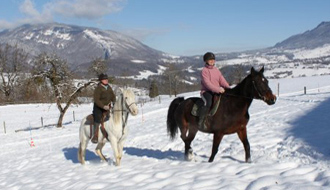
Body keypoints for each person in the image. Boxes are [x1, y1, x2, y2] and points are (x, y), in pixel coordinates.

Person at [198, 52, 230, 129]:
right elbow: (207, 84)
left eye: (213, 59)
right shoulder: (204, 71)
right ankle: (201, 121)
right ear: (206, 61)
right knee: (208, 103)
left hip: (217, 90)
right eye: (210, 60)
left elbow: (222, 80)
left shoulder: (216, 70)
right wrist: (218, 89)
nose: (212, 61)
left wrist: (228, 88)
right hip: (206, 91)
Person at [91, 73, 116, 143]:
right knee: (98, 118)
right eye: (105, 79)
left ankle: (111, 133)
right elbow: (96, 100)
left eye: (107, 79)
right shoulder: (98, 88)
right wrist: (103, 106)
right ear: (101, 80)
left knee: (112, 117)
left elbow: (113, 96)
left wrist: (114, 101)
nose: (106, 80)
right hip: (98, 107)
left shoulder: (109, 87)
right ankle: (95, 135)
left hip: (108, 106)